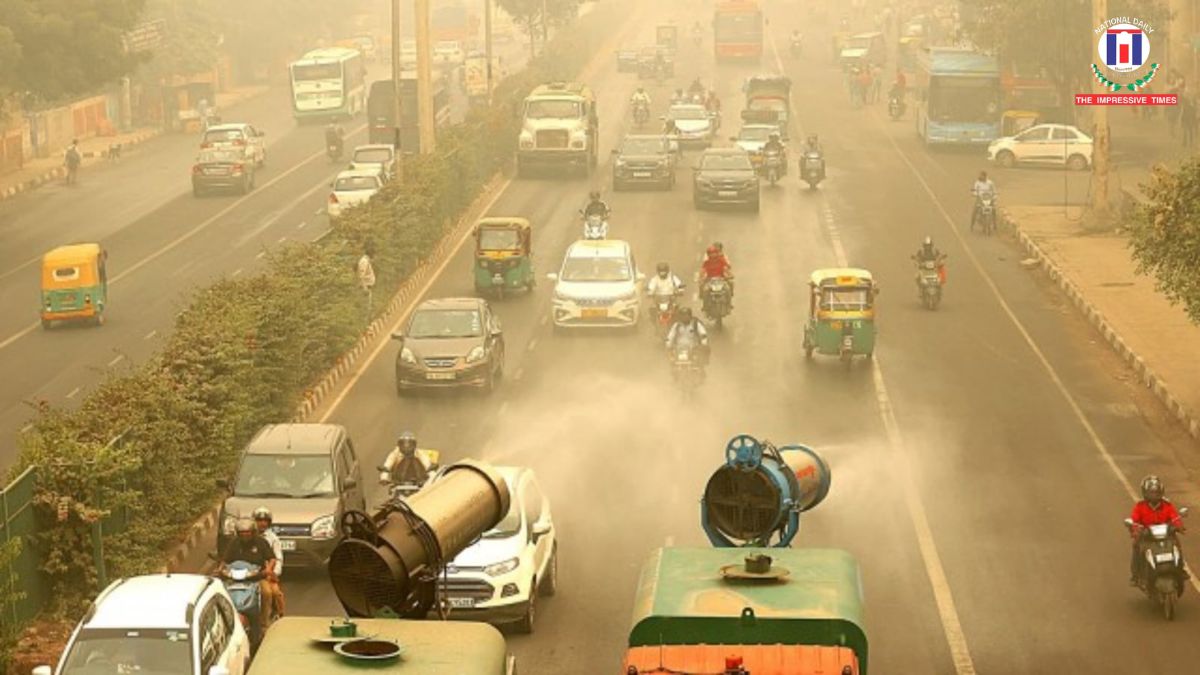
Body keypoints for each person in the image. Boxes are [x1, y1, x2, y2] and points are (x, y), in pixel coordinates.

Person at [1129, 475, 1186, 585]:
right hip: (1146, 536)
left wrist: (1179, 526)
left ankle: (1180, 568)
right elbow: (1134, 520)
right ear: (1145, 493)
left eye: (1156, 492)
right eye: (1151, 493)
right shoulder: (1140, 506)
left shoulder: (1167, 505)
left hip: (1166, 534)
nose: (1154, 496)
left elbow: (1175, 517)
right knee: (1137, 547)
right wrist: (1135, 530)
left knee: (1176, 545)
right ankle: (1136, 574)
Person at [252, 507, 285, 627]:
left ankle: (268, 620)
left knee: (273, 593)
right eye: (259, 520)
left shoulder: (273, 539)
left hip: (266, 573)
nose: (262, 523)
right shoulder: (247, 537)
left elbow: (278, 559)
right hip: (249, 572)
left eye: (265, 520)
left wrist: (273, 573)